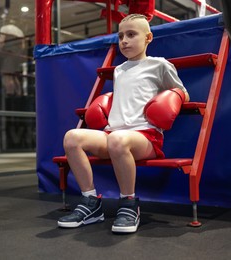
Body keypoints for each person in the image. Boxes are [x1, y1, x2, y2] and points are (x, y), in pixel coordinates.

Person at [57, 13, 190, 233]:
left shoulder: (159, 65)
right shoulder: (119, 70)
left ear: (148, 38)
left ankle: (129, 203)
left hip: (146, 137)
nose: (124, 41)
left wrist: (171, 99)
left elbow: (183, 92)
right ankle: (91, 202)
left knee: (118, 140)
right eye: (120, 37)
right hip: (113, 134)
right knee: (72, 137)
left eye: (131, 34)